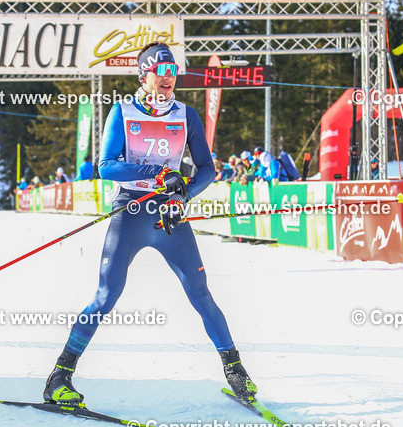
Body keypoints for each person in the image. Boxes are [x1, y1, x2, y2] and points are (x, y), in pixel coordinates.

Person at [42, 42, 257, 405]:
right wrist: (157, 173)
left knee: (201, 292)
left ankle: (236, 371)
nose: (170, 78)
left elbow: (207, 169)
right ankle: (59, 377)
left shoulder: (186, 115)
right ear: (145, 76)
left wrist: (182, 196)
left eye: (174, 71)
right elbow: (106, 166)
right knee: (106, 295)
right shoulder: (122, 112)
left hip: (169, 215)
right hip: (131, 211)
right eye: (162, 72)